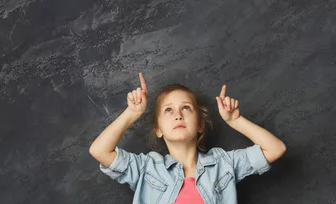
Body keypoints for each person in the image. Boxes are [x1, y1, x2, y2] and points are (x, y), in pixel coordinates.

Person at [89, 72, 286, 203]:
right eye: (168, 110)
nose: (178, 115)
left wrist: (236, 120)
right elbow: (99, 150)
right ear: (159, 130)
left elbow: (276, 149)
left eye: (186, 108)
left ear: (200, 125)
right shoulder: (146, 169)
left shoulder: (223, 164)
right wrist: (132, 113)